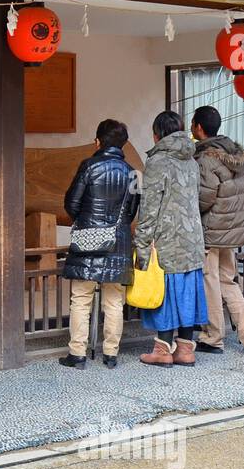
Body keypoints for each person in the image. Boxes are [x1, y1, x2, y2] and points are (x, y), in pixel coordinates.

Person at [59, 119, 139, 370]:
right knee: (114, 301)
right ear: (123, 144)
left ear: (98, 141)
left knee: (81, 299)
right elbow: (132, 211)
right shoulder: (132, 172)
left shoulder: (89, 166)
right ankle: (111, 354)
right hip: (118, 242)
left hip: (87, 242)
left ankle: (77, 354)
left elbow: (71, 202)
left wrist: (85, 222)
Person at [134, 110, 208, 367]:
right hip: (192, 238)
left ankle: (162, 350)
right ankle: (186, 350)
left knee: (166, 293)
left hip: (166, 238)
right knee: (187, 292)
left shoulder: (158, 162)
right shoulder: (192, 160)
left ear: (157, 134)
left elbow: (150, 206)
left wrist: (142, 242)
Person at [191, 105, 244, 355]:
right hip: (233, 232)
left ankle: (213, 336)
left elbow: (204, 198)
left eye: (192, 124)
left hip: (212, 231)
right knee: (227, 280)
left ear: (198, 128)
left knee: (210, 281)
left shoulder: (206, 159)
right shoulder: (236, 157)